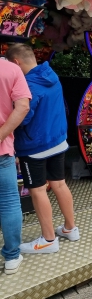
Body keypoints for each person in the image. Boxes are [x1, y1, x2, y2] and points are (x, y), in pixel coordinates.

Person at [6, 44, 79, 255]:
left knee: (38, 190)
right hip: (57, 140)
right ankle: (70, 228)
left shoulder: (28, 85)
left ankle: (48, 240)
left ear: (16, 63)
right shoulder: (51, 74)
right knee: (59, 184)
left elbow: (22, 116)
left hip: (34, 146)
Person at [0, 57, 30, 274]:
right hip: (2, 150)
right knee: (9, 201)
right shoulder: (11, 69)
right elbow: (22, 107)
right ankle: (11, 257)